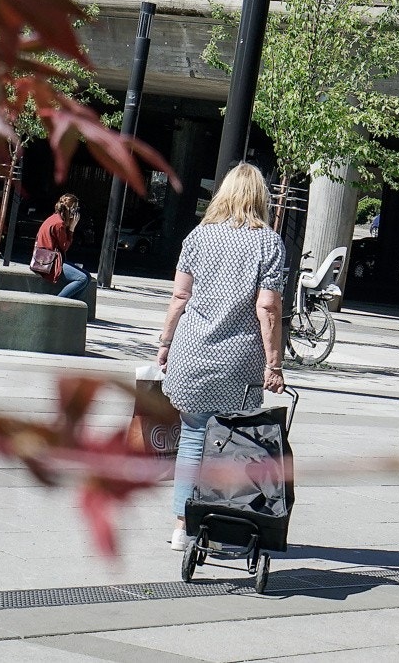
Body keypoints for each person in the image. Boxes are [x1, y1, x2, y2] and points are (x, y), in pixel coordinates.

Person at [155, 162, 288, 551]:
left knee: (194, 438)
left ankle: (183, 525)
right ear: (260, 198)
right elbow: (268, 308)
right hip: (239, 366)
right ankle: (223, 522)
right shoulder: (269, 243)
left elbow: (180, 296)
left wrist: (165, 343)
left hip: (191, 355)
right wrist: (274, 363)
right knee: (233, 444)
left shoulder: (198, 236)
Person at [34, 193, 90, 300]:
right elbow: (65, 246)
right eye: (75, 209)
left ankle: (71, 306)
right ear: (69, 209)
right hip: (50, 262)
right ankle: (58, 303)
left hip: (46, 259)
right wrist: (72, 228)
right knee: (82, 279)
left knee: (87, 276)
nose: (76, 213)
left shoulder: (54, 218)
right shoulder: (59, 224)